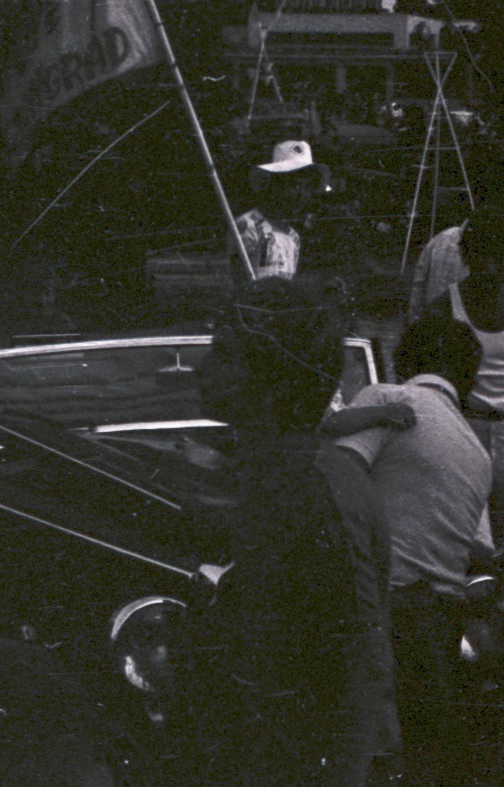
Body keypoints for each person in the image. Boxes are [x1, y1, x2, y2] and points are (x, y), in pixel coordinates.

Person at [194, 278, 389, 785]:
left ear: (270, 380)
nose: (202, 369)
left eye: (224, 355)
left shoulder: (314, 488)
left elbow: (361, 670)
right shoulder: (275, 471)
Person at [318, 316, 490, 785]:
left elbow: (338, 480)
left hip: (374, 608)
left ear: (401, 360)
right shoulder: (478, 451)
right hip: (440, 627)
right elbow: (479, 550)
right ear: (469, 382)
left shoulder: (388, 400)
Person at [422, 209, 504, 554]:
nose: (491, 269)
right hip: (464, 432)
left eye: (500, 259)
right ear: (467, 256)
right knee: (464, 542)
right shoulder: (443, 307)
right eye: (482, 258)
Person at [234, 139, 322, 281]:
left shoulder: (293, 237)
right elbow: (237, 283)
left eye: (307, 187)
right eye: (294, 185)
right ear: (273, 184)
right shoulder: (249, 225)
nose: (300, 194)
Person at [405, 220, 467, 323]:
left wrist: (414, 316)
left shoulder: (442, 238)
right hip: (456, 318)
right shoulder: (442, 239)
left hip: (435, 313)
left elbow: (419, 280)